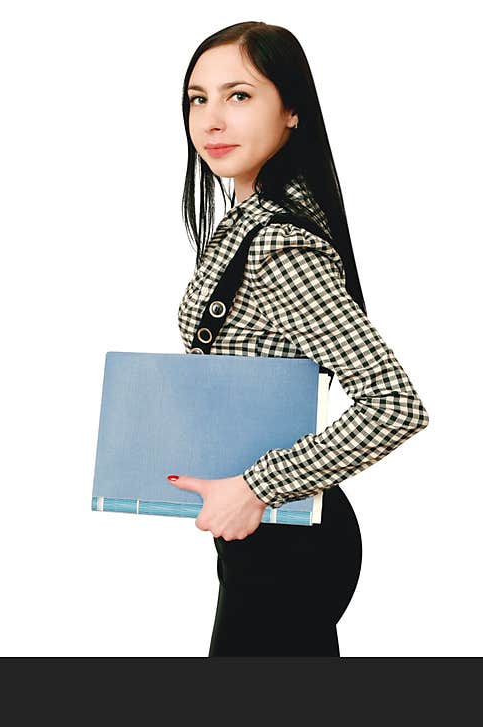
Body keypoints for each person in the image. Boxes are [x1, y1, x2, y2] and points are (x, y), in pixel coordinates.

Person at [165, 22, 430, 656]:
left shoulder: (279, 244)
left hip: (289, 541)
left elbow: (394, 405)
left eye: (239, 95)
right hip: (264, 539)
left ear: (291, 112)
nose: (211, 119)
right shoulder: (243, 224)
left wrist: (256, 486)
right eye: (198, 99)